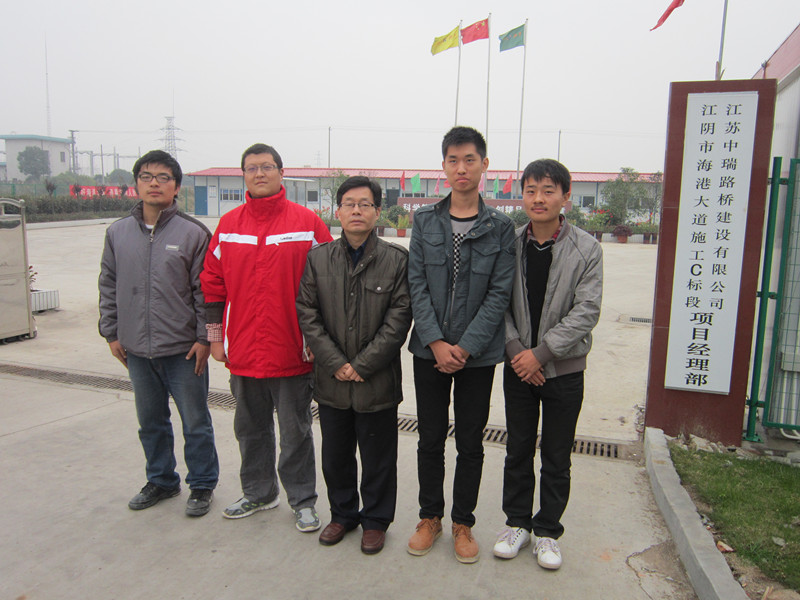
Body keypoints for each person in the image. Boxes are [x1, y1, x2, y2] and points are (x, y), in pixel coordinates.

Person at [200, 143, 332, 531]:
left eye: (267, 166)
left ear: (281, 172)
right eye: (251, 168)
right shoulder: (229, 226)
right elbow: (212, 284)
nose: (259, 173)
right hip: (242, 350)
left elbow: (329, 283)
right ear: (243, 174)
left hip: (293, 349)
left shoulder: (307, 223)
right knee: (250, 430)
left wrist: (320, 341)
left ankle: (302, 500)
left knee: (295, 432)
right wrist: (215, 337)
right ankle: (259, 493)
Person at [406, 126, 515, 563]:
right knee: (430, 438)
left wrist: (465, 347)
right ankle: (429, 517)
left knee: (470, 441)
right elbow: (416, 283)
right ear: (444, 167)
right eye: (453, 160)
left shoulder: (500, 227)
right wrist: (435, 340)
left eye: (470, 159)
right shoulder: (424, 220)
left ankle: (462, 522)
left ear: (484, 165)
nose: (461, 168)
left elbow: (499, 294)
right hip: (428, 351)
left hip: (478, 356)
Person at [492, 159, 602, 570]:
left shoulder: (587, 249)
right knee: (517, 449)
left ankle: (548, 532)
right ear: (522, 195)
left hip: (563, 371)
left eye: (549, 190)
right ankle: (517, 524)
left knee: (557, 456)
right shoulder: (508, 243)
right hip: (518, 366)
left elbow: (587, 310)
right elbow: (496, 300)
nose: (539, 199)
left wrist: (540, 354)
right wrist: (517, 350)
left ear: (565, 196)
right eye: (531, 190)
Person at [98, 149, 219, 517]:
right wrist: (111, 333)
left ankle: (202, 484)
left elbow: (205, 292)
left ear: (176, 187)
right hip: (136, 348)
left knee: (195, 422)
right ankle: (162, 480)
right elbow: (108, 284)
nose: (154, 183)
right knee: (150, 422)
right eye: (147, 176)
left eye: (163, 177)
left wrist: (203, 338)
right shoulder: (117, 232)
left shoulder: (194, 233)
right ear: (136, 184)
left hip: (183, 350)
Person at [296, 176, 412, 555]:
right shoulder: (318, 259)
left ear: (378, 212)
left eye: (365, 204)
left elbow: (400, 317)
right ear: (338, 212)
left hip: (375, 381)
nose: (357, 211)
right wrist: (334, 361)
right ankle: (343, 514)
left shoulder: (396, 260)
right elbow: (307, 312)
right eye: (349, 204)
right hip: (332, 381)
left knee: (379, 458)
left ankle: (376, 521)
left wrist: (362, 364)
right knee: (336, 455)